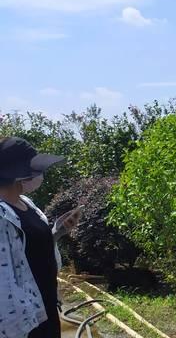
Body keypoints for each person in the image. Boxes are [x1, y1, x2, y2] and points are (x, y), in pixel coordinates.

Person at [0, 137, 80, 338]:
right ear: (19, 173)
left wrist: (57, 232)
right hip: (22, 320)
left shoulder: (26, 203)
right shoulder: (2, 215)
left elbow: (31, 250)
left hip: (45, 306)